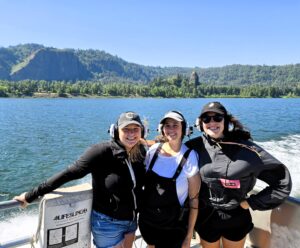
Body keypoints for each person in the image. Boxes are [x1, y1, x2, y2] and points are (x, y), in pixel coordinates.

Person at [14, 111, 147, 248]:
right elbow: (68, 174)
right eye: (126, 129)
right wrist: (30, 195)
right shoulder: (100, 152)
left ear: (142, 132)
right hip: (108, 224)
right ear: (115, 131)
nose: (131, 134)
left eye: (135, 129)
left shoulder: (140, 152)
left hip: (132, 222)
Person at [185, 101, 292, 248]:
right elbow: (171, 152)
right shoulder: (194, 147)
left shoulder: (247, 149)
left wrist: (251, 203)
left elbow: (282, 181)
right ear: (201, 123)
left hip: (236, 217)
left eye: (217, 118)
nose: (212, 122)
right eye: (206, 119)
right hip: (206, 217)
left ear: (226, 121)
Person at [138, 111, 201, 248]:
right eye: (167, 125)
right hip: (148, 224)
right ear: (162, 129)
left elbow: (194, 200)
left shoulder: (189, 157)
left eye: (175, 125)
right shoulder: (153, 151)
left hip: (173, 229)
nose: (171, 129)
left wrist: (189, 236)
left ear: (183, 129)